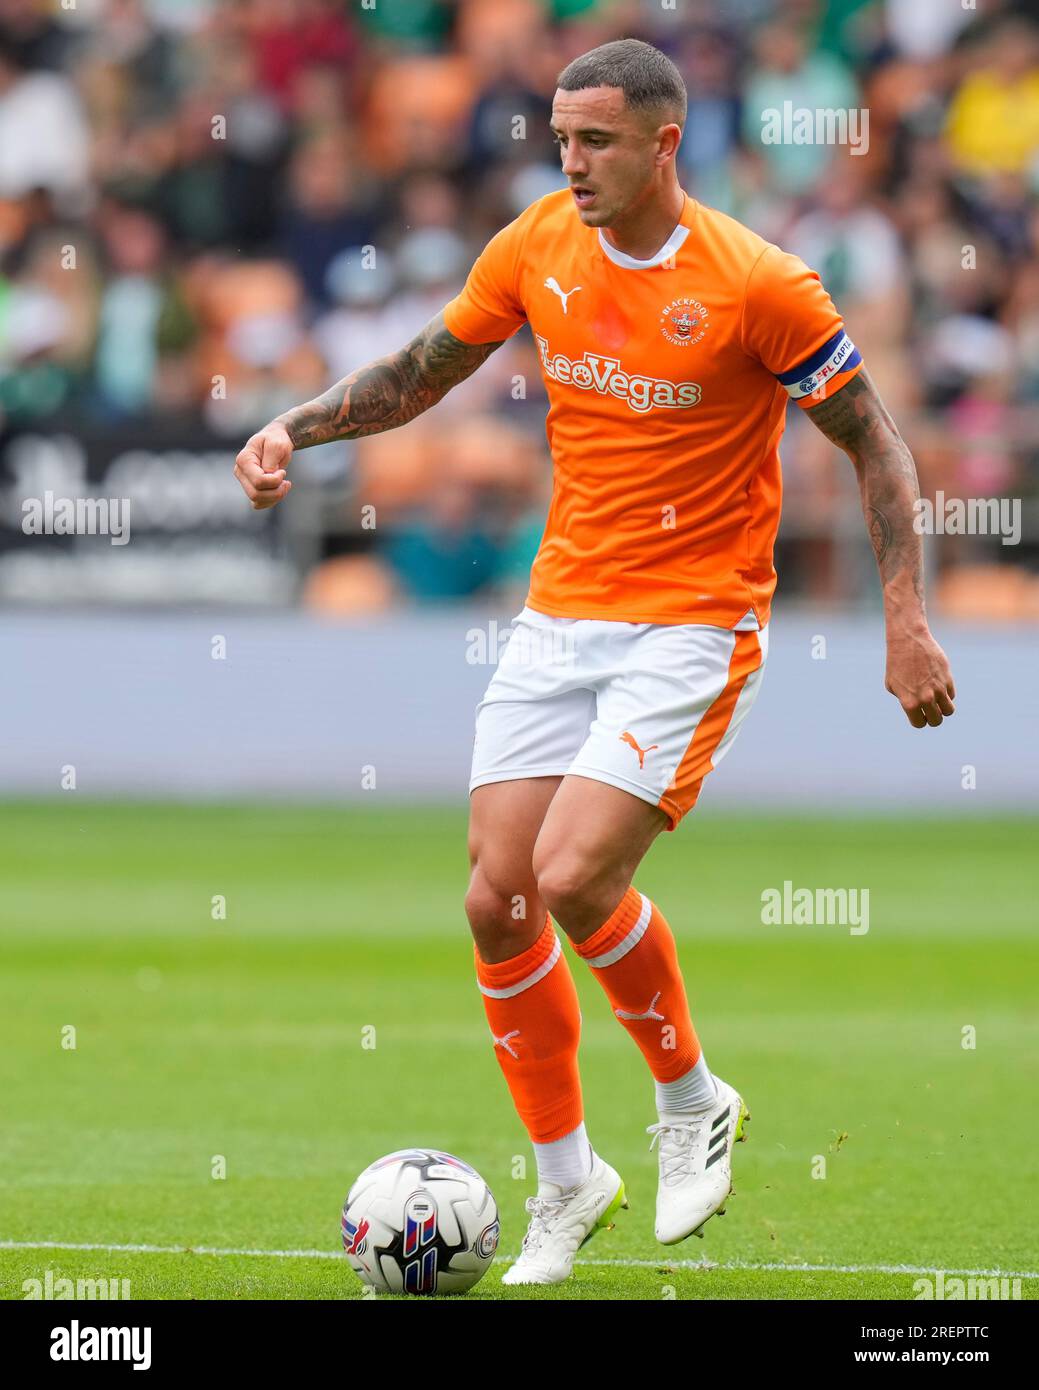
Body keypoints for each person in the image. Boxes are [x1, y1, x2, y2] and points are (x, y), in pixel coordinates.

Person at [234, 38, 956, 1287]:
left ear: (664, 143)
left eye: (596, 141)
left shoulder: (759, 283)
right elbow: (422, 371)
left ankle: (690, 1098)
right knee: (494, 898)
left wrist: (905, 619)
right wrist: (292, 426)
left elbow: (875, 442)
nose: (570, 163)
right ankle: (567, 1182)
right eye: (561, 138)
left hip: (693, 623)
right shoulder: (536, 243)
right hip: (560, 612)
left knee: (571, 873)